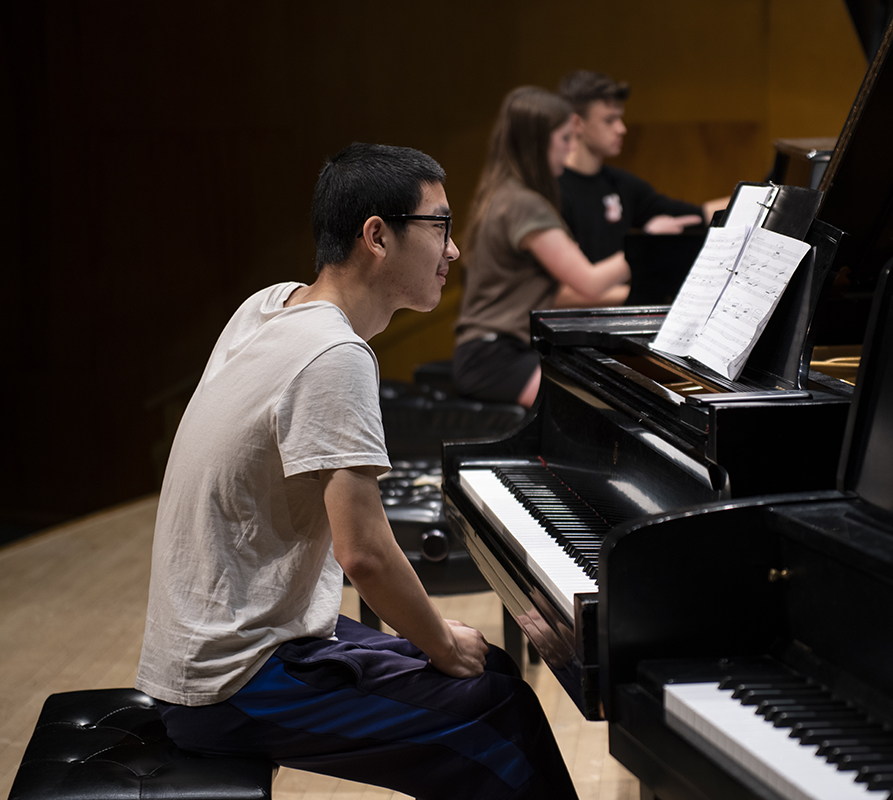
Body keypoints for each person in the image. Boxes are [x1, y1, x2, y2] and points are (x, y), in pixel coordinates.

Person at [135, 142, 578, 800]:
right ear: (377, 235)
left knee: (495, 677)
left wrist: (434, 637)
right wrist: (439, 644)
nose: (453, 251)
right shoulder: (333, 355)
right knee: (498, 716)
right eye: (441, 226)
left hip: (229, 640)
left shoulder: (271, 306)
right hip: (232, 680)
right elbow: (364, 553)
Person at [453, 86, 630, 408]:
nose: (571, 148)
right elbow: (588, 284)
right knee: (601, 409)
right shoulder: (524, 204)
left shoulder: (500, 194)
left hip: (489, 352)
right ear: (538, 142)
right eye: (565, 138)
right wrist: (646, 247)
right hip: (497, 358)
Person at [557, 70, 728, 263]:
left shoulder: (622, 184)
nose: (622, 129)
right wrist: (648, 239)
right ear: (577, 123)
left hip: (621, 292)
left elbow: (696, 215)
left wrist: (758, 200)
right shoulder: (553, 189)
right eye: (609, 120)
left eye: (620, 118)